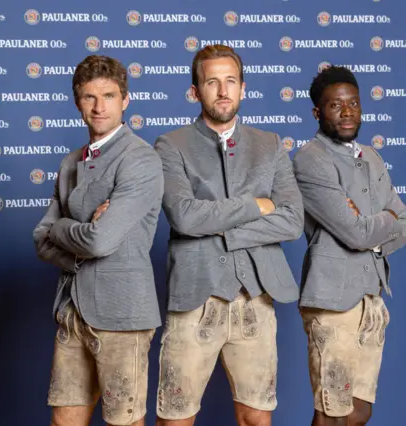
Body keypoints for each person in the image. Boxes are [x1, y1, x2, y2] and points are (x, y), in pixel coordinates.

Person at [153, 45, 304, 426]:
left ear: (243, 88)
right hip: (194, 297)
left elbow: (292, 221)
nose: (223, 91)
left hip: (256, 295)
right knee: (176, 418)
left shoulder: (270, 144)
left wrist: (222, 229)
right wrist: (256, 205)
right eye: (212, 82)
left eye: (231, 82)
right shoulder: (170, 145)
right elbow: (185, 217)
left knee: (256, 416)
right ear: (195, 91)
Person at [32, 54, 164, 426]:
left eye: (108, 95)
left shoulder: (140, 159)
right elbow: (42, 238)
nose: (99, 106)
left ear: (125, 100)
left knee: (124, 421)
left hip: (122, 316)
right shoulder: (70, 162)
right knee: (64, 420)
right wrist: (75, 232)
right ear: (78, 103)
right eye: (89, 97)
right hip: (73, 310)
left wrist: (64, 229)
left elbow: (98, 242)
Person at [292, 65, 406, 426]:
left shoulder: (372, 157)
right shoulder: (310, 160)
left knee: (360, 410)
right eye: (335, 105)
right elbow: (355, 232)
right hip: (332, 302)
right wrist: (381, 222)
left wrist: (375, 230)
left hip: (371, 299)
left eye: (354, 104)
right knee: (333, 411)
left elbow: (405, 226)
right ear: (317, 113)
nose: (347, 112)